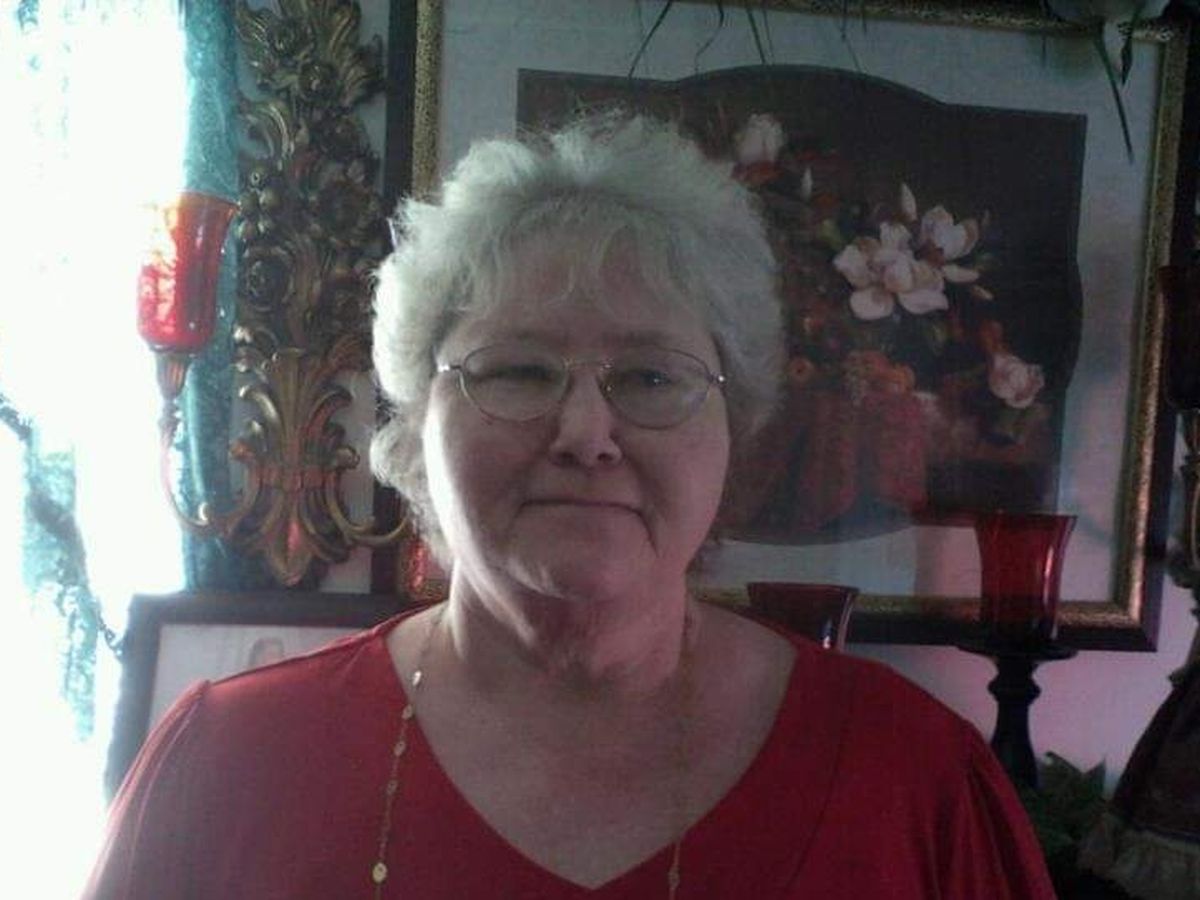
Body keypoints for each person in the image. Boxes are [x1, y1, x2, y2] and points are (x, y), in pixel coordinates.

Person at [83, 113, 1054, 899]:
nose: (586, 431)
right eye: (517, 370)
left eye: (651, 376)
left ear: (734, 426)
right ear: (417, 419)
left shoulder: (914, 780)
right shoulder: (226, 765)